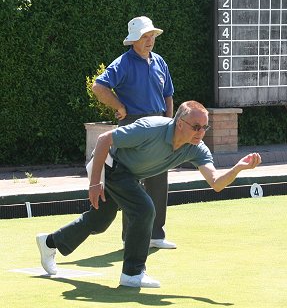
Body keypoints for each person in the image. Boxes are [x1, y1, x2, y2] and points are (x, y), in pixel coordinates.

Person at [36, 101, 262, 288]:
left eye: (205, 128)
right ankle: (132, 274)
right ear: (179, 123)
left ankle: (49, 242)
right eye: (196, 127)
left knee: (99, 221)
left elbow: (216, 183)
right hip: (110, 164)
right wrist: (95, 183)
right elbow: (105, 140)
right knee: (144, 209)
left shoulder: (196, 148)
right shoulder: (151, 128)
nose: (200, 133)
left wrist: (238, 167)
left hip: (130, 175)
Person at [92, 15, 176, 249]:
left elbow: (168, 94)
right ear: (134, 41)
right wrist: (119, 106)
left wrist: (168, 122)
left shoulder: (160, 61)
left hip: (159, 124)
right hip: (133, 125)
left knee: (159, 179)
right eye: (144, 37)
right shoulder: (123, 63)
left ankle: (156, 235)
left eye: (151, 36)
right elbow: (98, 86)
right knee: (132, 184)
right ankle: (131, 237)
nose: (149, 40)